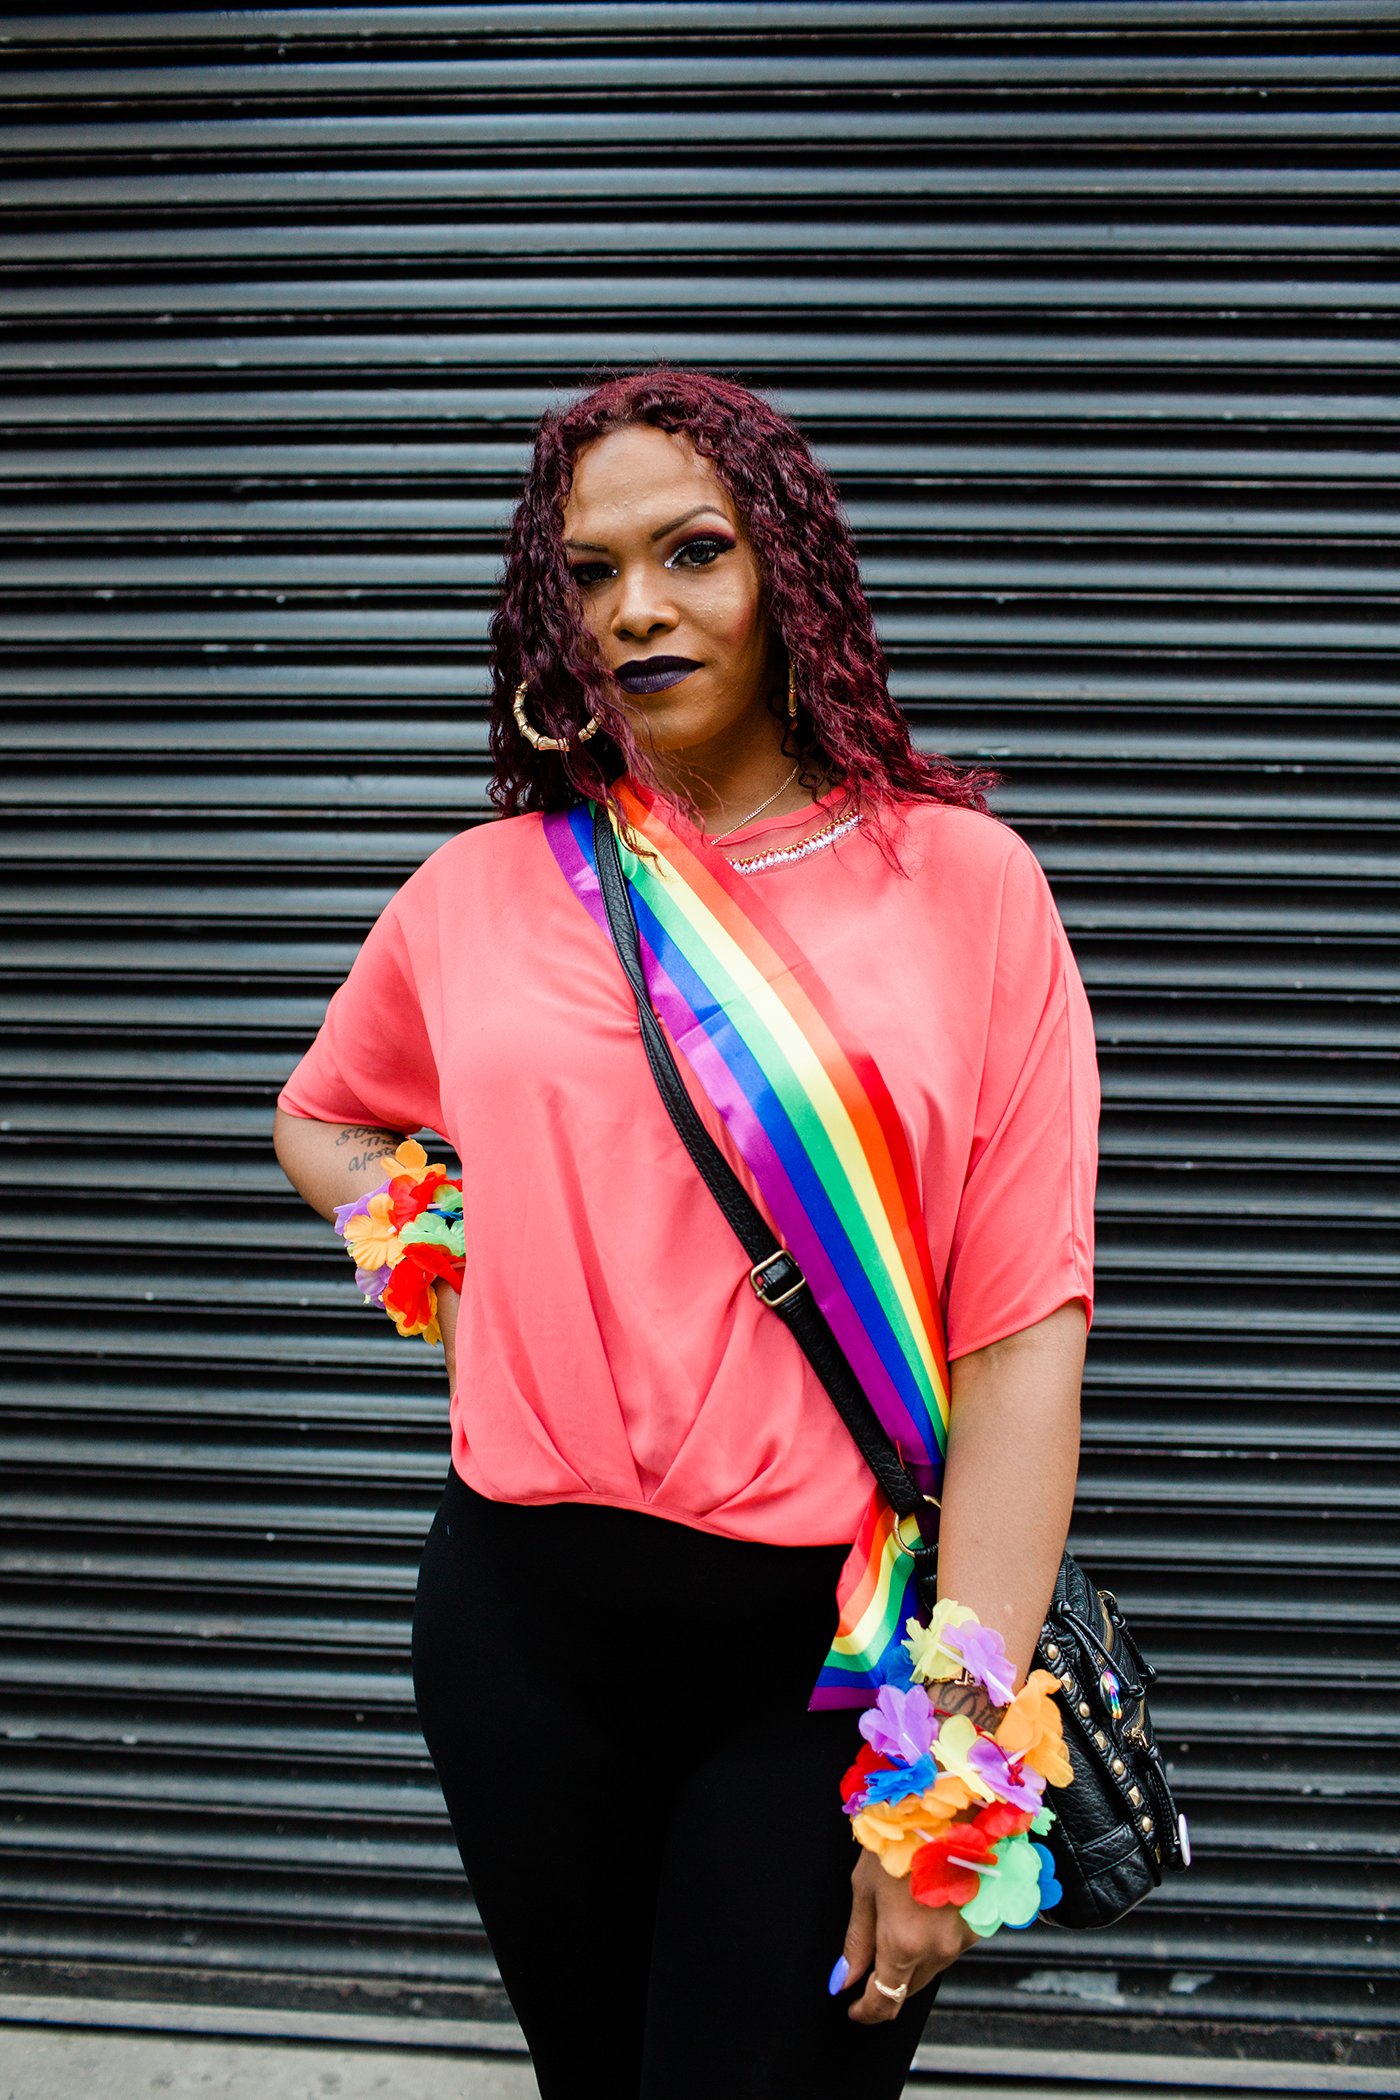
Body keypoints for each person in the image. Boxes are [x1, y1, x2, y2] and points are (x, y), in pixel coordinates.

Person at [272, 366, 1098, 2100]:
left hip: (818, 1657)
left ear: (787, 576)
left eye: (693, 551)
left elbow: (1021, 1333)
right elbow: (324, 1114)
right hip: (519, 1630)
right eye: (585, 573)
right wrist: (457, 1265)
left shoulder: (964, 887)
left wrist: (957, 1765)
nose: (635, 608)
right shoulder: (478, 894)